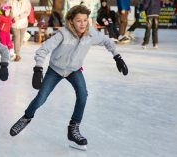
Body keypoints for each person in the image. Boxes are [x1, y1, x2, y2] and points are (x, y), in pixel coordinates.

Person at [9, 5, 128, 151]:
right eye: (79, 21)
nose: (83, 24)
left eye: (85, 20)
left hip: (74, 70)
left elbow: (107, 41)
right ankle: (26, 117)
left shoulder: (91, 33)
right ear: (71, 21)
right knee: (41, 98)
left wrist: (117, 57)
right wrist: (38, 68)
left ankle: (73, 128)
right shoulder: (63, 33)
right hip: (55, 69)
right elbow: (44, 48)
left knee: (83, 95)